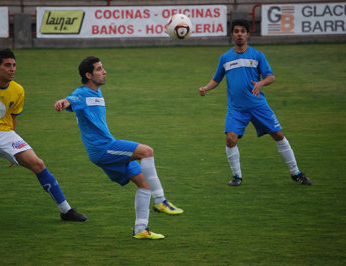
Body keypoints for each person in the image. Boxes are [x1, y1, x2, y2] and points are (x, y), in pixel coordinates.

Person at [0, 49, 88, 230]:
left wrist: (12, 151)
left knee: (38, 163)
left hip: (7, 134)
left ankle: (66, 210)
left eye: (14, 65)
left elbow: (13, 118)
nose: (12, 69)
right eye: (8, 65)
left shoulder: (18, 90)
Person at [54, 56, 183, 240]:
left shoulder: (97, 93)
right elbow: (69, 100)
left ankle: (140, 229)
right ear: (88, 75)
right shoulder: (82, 93)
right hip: (103, 149)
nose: (104, 72)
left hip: (106, 148)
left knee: (144, 184)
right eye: (99, 69)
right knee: (147, 152)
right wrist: (62, 102)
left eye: (103, 68)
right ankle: (160, 201)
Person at [198, 19, 312, 186]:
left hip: (258, 106)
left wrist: (260, 83)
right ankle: (237, 176)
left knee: (278, 135)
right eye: (236, 31)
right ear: (232, 34)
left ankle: (296, 172)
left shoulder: (258, 56)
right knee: (230, 139)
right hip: (236, 109)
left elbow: (271, 77)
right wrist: (206, 88)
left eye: (242, 31)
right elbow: (217, 79)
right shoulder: (225, 58)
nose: (239, 34)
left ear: (247, 34)